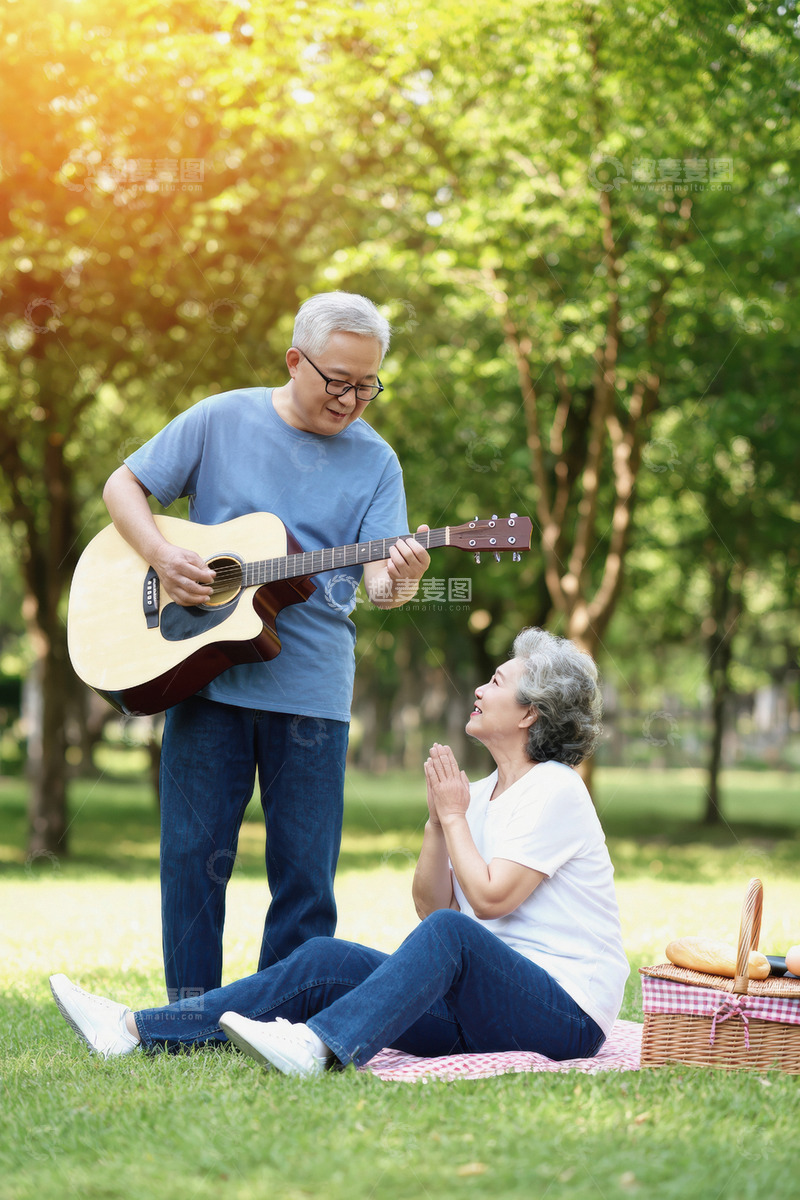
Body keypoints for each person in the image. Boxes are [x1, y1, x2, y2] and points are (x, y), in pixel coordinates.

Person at [50, 628, 630, 1076]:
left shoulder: (555, 788)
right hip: (482, 1008)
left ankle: (318, 1046)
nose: (479, 689)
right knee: (325, 958)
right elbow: (433, 909)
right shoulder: (475, 795)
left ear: (529, 712)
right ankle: (132, 1030)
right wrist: (438, 824)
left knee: (452, 935)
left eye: (497, 682)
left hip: (565, 1014)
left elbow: (490, 902)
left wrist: (453, 818)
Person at [101, 292, 431, 1001]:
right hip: (204, 672)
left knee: (305, 876)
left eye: (367, 385)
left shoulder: (377, 461)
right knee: (192, 858)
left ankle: (277, 1020)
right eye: (337, 380)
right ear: (294, 360)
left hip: (312, 690)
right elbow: (123, 484)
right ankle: (187, 1017)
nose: (350, 400)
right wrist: (161, 554)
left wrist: (403, 577)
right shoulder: (221, 419)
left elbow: (382, 587)